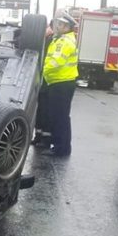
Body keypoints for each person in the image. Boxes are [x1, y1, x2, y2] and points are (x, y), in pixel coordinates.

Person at [33, 11, 79, 156]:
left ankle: (61, 148)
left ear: (66, 26)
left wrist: (42, 70)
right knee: (58, 116)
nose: (56, 26)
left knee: (60, 117)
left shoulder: (64, 42)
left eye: (59, 24)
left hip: (61, 83)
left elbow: (55, 62)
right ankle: (60, 146)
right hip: (59, 82)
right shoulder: (60, 39)